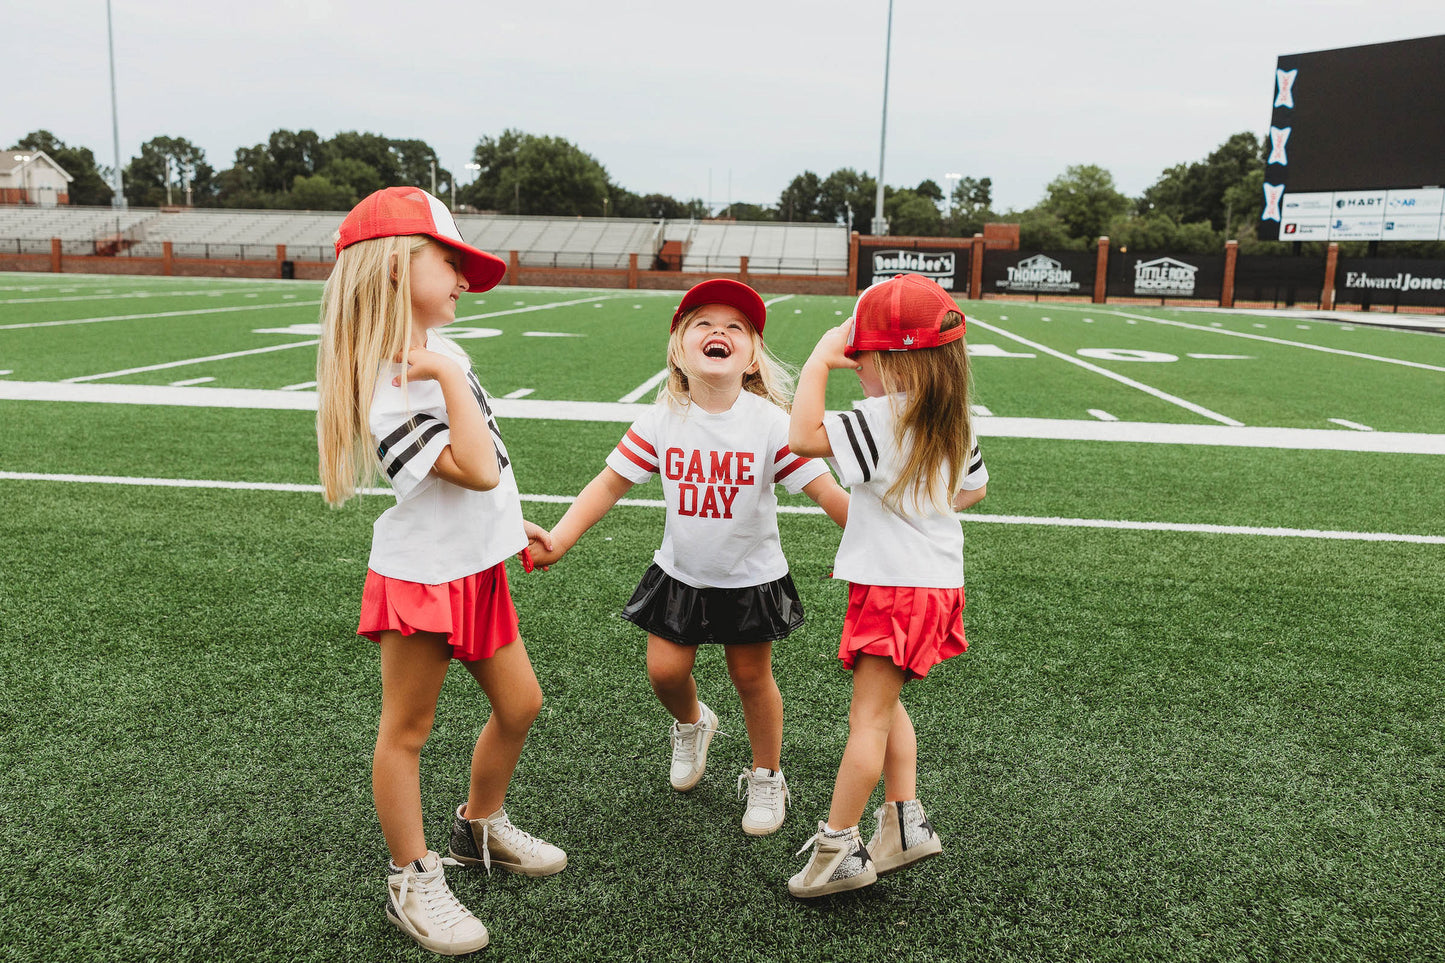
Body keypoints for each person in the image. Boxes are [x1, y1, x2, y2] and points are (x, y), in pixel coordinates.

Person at [316, 187, 565, 955]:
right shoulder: (389, 382)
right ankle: (410, 877)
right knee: (406, 731)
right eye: (449, 261)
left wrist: (503, 527)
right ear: (395, 267)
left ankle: (476, 826)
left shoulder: (438, 355)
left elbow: (485, 480)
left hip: (473, 568)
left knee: (521, 704)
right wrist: (448, 381)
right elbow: (476, 469)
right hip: (421, 577)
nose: (462, 278)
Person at [528, 279, 848, 836]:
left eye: (736, 327)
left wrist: (878, 542)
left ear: (751, 359)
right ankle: (694, 723)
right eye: (703, 323)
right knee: (665, 672)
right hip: (680, 574)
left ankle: (767, 774)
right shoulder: (661, 418)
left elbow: (828, 495)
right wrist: (559, 538)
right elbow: (608, 485)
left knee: (752, 679)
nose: (718, 332)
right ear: (679, 348)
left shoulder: (772, 425)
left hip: (751, 579)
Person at [784, 273, 988, 898]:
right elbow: (973, 490)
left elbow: (801, 439)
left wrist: (819, 362)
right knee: (888, 702)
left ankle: (838, 847)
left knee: (867, 720)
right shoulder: (953, 416)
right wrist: (923, 500)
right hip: (930, 584)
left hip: (893, 588)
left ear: (888, 360)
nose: (857, 371)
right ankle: (904, 822)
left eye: (862, 361)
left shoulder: (881, 417)